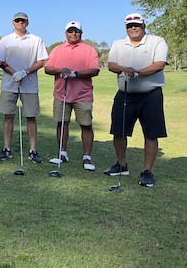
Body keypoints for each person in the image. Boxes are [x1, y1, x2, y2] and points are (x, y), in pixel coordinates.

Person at [105, 13, 168, 187]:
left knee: (151, 133)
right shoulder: (118, 43)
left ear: (143, 26)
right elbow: (111, 65)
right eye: (129, 26)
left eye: (137, 25)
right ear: (126, 28)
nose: (133, 28)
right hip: (125, 94)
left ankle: (147, 171)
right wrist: (126, 68)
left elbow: (159, 64)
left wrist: (137, 71)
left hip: (150, 95)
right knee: (118, 131)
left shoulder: (157, 41)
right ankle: (121, 164)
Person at [44, 21, 100, 171]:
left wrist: (76, 73)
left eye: (76, 31)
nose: (73, 33)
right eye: (70, 31)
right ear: (65, 33)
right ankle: (62, 153)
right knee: (62, 123)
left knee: (86, 125)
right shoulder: (57, 49)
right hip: (61, 93)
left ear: (81, 33)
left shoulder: (89, 49)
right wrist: (59, 70)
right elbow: (47, 68)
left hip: (83, 94)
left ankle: (87, 157)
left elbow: (95, 70)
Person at [0, 12, 48, 163]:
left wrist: (25, 73)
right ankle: (6, 148)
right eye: (17, 20)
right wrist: (14, 73)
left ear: (27, 22)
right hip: (9, 84)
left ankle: (32, 150)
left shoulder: (36, 40)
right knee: (8, 116)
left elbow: (41, 61)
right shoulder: (6, 40)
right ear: (13, 23)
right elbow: (0, 61)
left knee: (31, 117)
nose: (20, 23)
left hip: (29, 85)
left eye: (23, 21)